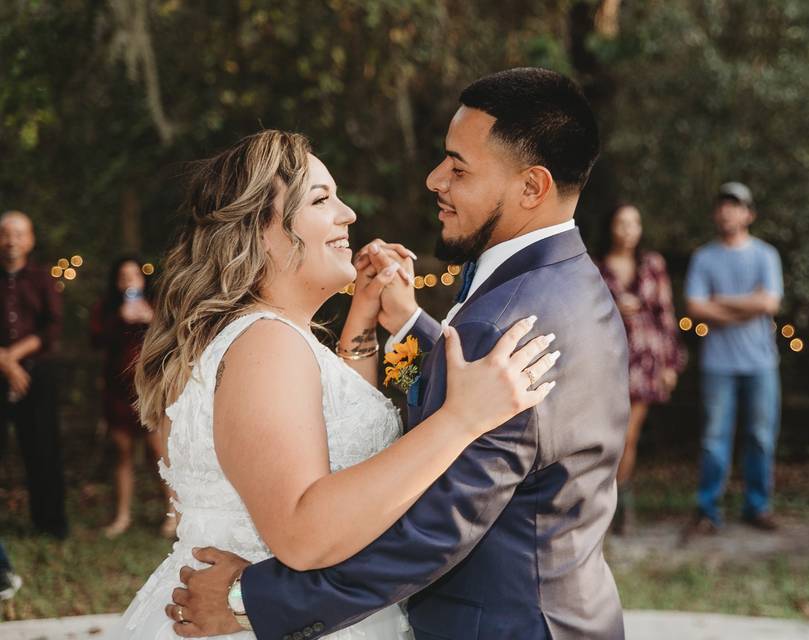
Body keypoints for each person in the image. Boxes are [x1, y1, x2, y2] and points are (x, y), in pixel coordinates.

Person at [171, 69, 629, 639]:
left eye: (459, 168)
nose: (435, 178)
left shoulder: (505, 322)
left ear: (531, 188)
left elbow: (437, 527)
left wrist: (251, 601)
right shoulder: (567, 285)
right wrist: (405, 326)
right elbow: (436, 408)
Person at [108, 129, 557, 639]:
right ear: (259, 230)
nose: (348, 215)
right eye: (322, 200)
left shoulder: (272, 336)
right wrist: (462, 420)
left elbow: (334, 431)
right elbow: (302, 531)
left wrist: (363, 320)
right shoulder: (265, 345)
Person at [682, 182, 783, 537]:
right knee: (714, 439)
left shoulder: (765, 255)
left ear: (748, 214)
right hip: (717, 365)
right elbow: (694, 308)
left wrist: (718, 303)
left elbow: (769, 304)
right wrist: (747, 304)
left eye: (735, 205)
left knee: (760, 437)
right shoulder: (704, 257)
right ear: (715, 213)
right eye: (722, 205)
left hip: (761, 364)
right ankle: (708, 510)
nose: (728, 211)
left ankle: (757, 507)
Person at [597, 203, 685, 534]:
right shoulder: (596, 266)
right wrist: (614, 307)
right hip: (609, 360)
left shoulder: (653, 265)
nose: (629, 229)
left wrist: (670, 363)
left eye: (635, 223)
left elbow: (666, 313)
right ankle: (603, 505)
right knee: (607, 436)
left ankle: (619, 505)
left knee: (627, 435)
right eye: (622, 223)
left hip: (646, 359)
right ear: (611, 227)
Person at [90, 256, 175, 538]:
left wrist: (150, 320)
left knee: (158, 453)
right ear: (116, 281)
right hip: (117, 390)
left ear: (143, 279)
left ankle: (172, 515)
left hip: (149, 389)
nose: (129, 281)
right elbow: (95, 340)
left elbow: (173, 339)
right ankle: (122, 516)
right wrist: (118, 320)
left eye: (134, 275)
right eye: (123, 276)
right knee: (122, 453)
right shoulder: (107, 309)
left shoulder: (156, 305)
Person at [0, 211, 66, 539]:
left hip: (36, 374)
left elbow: (52, 326)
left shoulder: (42, 278)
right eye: (5, 233)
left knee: (43, 448)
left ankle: (50, 525)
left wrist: (12, 358)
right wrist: (4, 362)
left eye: (18, 234)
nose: (11, 240)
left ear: (30, 240)